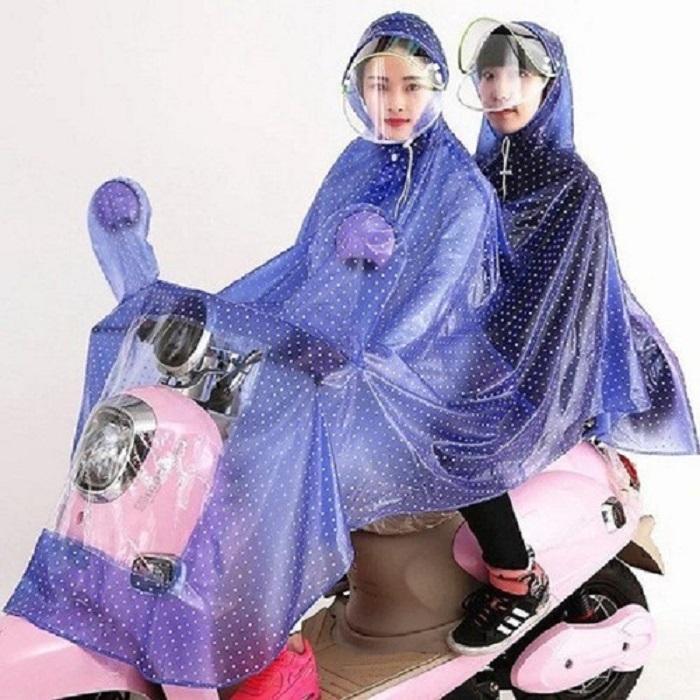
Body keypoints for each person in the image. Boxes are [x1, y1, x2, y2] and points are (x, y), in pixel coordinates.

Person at [446, 19, 698, 656]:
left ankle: (515, 578)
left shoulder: (571, 185)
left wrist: (483, 368)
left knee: (458, 438)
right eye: (488, 74)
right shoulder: (476, 174)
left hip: (542, 369)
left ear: (548, 85)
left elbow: (562, 308)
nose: (499, 88)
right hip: (475, 356)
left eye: (517, 74)